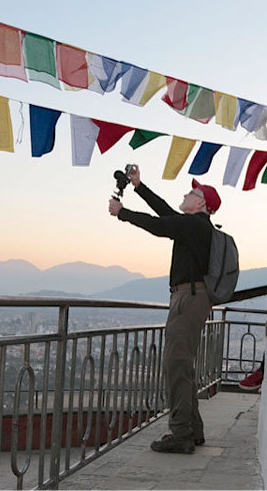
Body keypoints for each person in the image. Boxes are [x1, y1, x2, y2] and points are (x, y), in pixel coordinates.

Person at [108, 165, 222, 454]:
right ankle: (192, 430)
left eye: (193, 192)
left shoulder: (195, 225)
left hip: (189, 298)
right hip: (191, 297)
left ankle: (180, 434)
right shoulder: (195, 227)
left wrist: (122, 212)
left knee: (175, 363)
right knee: (182, 364)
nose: (186, 193)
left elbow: (158, 225)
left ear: (202, 205)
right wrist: (138, 186)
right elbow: (165, 213)